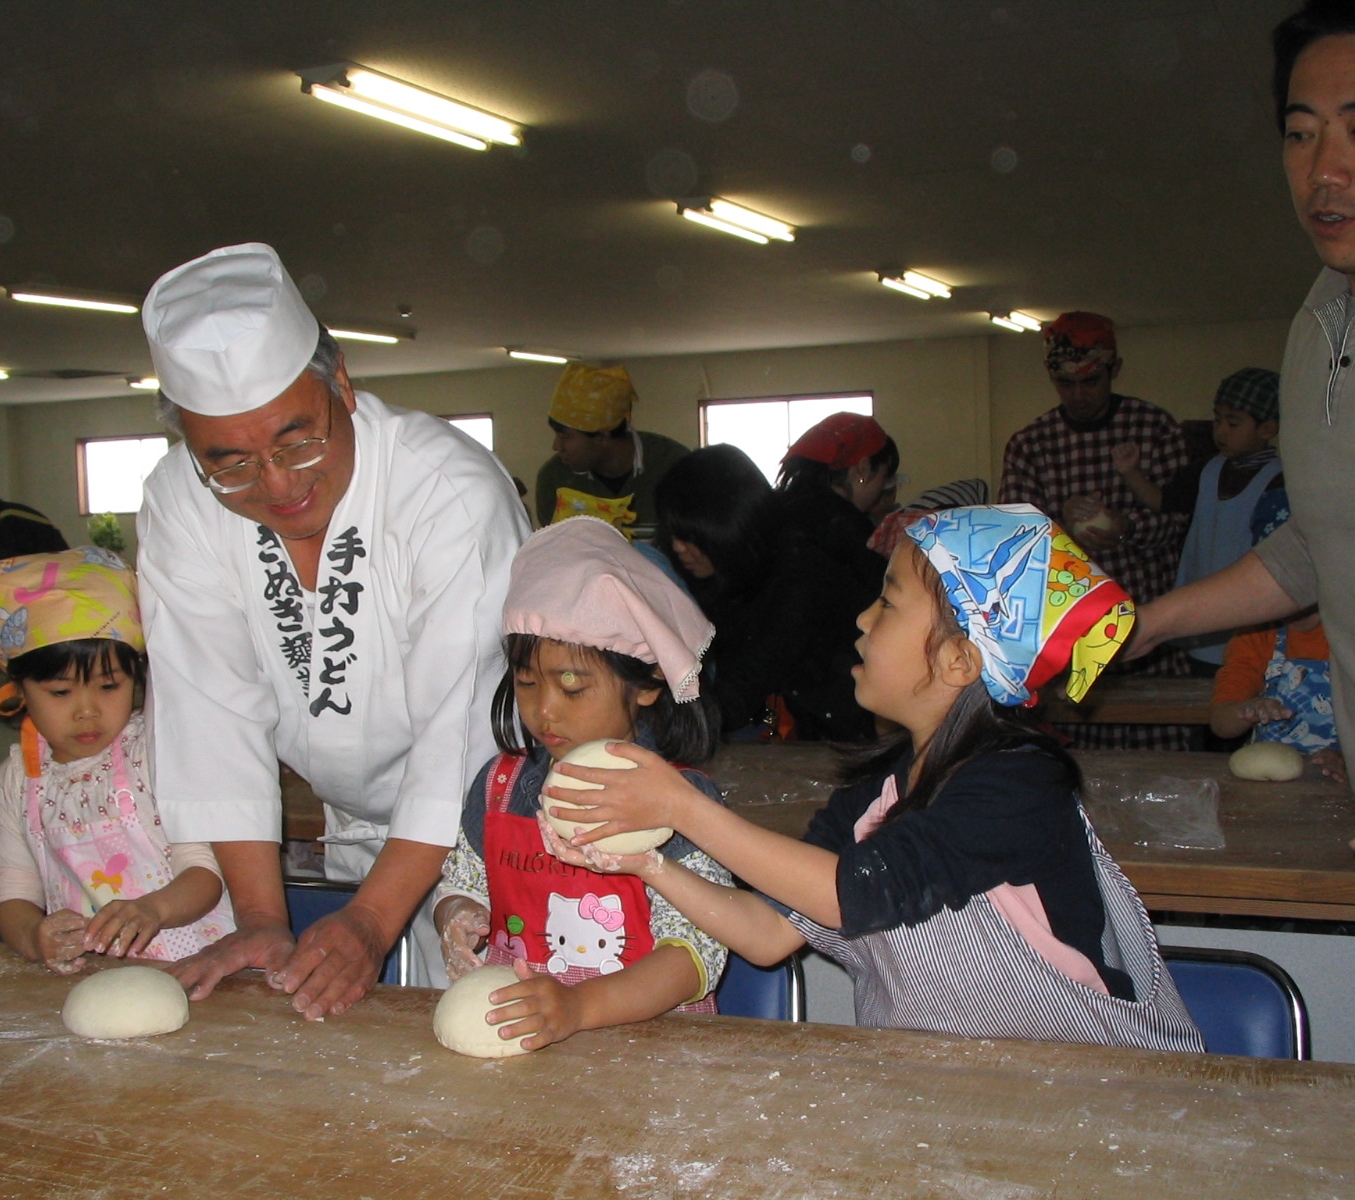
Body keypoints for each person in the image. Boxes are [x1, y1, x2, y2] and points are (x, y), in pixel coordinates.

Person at [541, 505, 1202, 1052]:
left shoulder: (1019, 786)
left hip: (1089, 1086)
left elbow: (860, 891)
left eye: (887, 604)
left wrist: (683, 806)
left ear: (960, 659)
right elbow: (766, 935)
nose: (861, 618)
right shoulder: (872, 798)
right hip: (939, 1093)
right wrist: (648, 865)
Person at [136, 243, 527, 1017]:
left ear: (340, 382)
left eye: (297, 440)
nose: (278, 484)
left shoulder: (447, 493)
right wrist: (259, 921)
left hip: (489, 811)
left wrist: (372, 921)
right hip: (353, 821)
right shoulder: (180, 502)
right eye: (233, 464)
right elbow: (209, 712)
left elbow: (459, 734)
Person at [1131, 0, 1355, 1065]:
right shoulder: (1318, 319)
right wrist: (1152, 625)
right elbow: (1314, 546)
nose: (1323, 170)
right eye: (1301, 133)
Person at [433, 517, 733, 1050]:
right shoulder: (502, 787)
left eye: (572, 686)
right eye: (527, 683)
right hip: (525, 1042)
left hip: (650, 1053)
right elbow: (464, 878)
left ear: (646, 684)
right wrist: (457, 911)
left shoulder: (679, 805)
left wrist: (577, 1007)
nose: (544, 710)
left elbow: (694, 953)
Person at [0, 549, 234, 974]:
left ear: (137, 678)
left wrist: (153, 910)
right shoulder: (15, 781)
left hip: (199, 968)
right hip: (92, 976)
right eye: (60, 692)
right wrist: (35, 938)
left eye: (109, 686)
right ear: (18, 689)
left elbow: (205, 873)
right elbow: (14, 893)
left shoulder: (157, 752)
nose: (86, 711)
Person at [999, 311, 1192, 749]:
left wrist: (1126, 528)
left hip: (1152, 627)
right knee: (1078, 767)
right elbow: (1015, 543)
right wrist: (1063, 529)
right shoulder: (1032, 444)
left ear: (1115, 370)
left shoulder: (1154, 428)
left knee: (1162, 759)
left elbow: (1181, 521)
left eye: (1091, 382)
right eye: (1066, 384)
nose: (1080, 395)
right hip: (1071, 636)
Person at [656, 445, 877, 742]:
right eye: (672, 535)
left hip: (859, 734)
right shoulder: (731, 572)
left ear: (734, 524)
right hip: (812, 726)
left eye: (691, 536)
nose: (679, 547)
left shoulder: (800, 577)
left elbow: (738, 691)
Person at [1115, 367, 1286, 669]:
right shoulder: (1206, 469)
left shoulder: (1280, 481)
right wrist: (1131, 472)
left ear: (1268, 428)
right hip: (1200, 618)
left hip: (1251, 618)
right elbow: (1163, 501)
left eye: (1233, 423)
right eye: (1217, 419)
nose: (1220, 431)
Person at [533, 364, 689, 536]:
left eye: (565, 437)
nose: (556, 446)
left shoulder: (676, 468)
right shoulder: (554, 479)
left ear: (602, 436)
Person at [774, 411, 898, 596]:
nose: (882, 489)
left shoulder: (776, 510)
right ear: (863, 468)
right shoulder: (846, 526)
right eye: (884, 477)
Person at [1210, 608, 1345, 778]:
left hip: (1343, 778)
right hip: (1267, 783)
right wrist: (1248, 710)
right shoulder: (1257, 633)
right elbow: (1221, 724)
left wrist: (1349, 757)